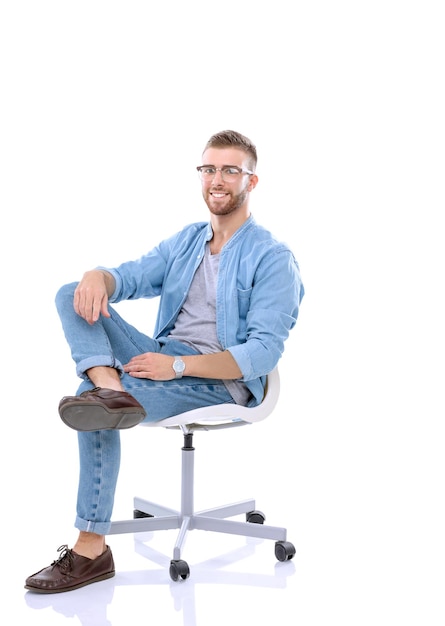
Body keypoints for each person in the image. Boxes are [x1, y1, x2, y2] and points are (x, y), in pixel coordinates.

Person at [25, 130, 304, 593]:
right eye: (209, 168)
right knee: (71, 294)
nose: (218, 179)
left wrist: (175, 368)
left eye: (231, 170)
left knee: (90, 406)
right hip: (161, 358)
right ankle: (107, 383)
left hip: (217, 379)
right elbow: (130, 277)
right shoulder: (189, 241)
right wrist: (99, 276)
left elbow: (261, 354)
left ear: (251, 182)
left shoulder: (273, 258)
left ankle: (90, 550)